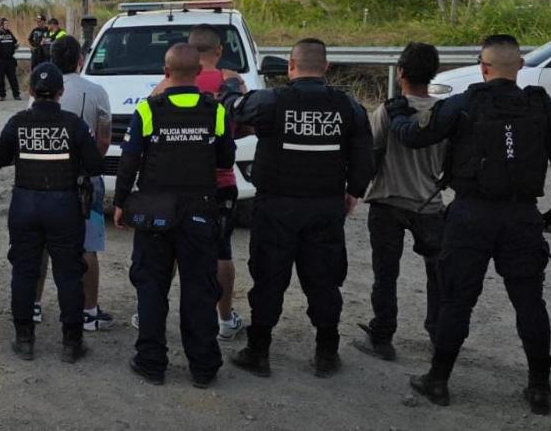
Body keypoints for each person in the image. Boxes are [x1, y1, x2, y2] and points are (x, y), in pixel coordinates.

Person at [389, 35, 551, 414]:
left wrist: (396, 111)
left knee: (456, 300)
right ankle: (540, 388)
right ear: (520, 67)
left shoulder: (464, 104)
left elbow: (414, 136)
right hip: (522, 216)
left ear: (483, 67)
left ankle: (438, 380)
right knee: (530, 302)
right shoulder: (540, 107)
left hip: (470, 216)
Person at [220, 38, 374, 378]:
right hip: (325, 206)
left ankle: (258, 352)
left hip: (276, 206)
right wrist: (353, 191)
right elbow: (365, 154)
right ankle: (327, 353)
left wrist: (231, 86)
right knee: (324, 280)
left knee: (269, 279)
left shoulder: (271, 101)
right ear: (326, 68)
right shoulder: (348, 107)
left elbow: (234, 108)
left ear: (290, 67)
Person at [114, 43, 233, 388]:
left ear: (166, 73)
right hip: (200, 211)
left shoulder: (148, 109)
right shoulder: (216, 110)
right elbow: (225, 159)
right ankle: (204, 367)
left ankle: (151, 362)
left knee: (151, 286)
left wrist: (121, 202)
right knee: (200, 289)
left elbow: (129, 160)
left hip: (155, 213)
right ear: (199, 72)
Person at [0, 62, 102, 363]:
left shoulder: (18, 121)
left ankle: (24, 339)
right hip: (64, 205)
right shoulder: (73, 123)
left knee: (24, 271)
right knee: (68, 273)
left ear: (30, 91)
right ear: (60, 92)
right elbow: (95, 164)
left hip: (25, 203)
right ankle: (71, 343)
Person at [353, 42, 446, 361]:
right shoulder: (444, 113)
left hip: (387, 200)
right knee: (437, 274)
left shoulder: (387, 110)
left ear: (401, 72)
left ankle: (382, 336)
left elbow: (371, 154)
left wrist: (355, 190)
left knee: (385, 274)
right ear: (434, 73)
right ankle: (438, 333)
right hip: (429, 203)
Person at [34, 35, 114, 332]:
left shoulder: (40, 91)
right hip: (84, 177)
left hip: (45, 176)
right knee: (87, 245)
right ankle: (89, 311)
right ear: (81, 59)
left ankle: (34, 306)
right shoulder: (96, 91)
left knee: (41, 244)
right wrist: (91, 161)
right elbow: (104, 138)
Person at [185, 25, 247, 340]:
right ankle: (224, 320)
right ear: (219, 50)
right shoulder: (232, 81)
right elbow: (246, 123)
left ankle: (148, 312)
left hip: (181, 181)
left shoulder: (174, 81)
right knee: (222, 251)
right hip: (221, 180)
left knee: (170, 248)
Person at [0, 17, 22, 101]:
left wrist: (16, 46)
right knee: (0, 78)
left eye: (7, 23)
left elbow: (15, 43)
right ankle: (2, 95)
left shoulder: (9, 33)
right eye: (5, 24)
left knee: (13, 78)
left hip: (10, 60)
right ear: (0, 25)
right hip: (0, 60)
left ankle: (16, 94)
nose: (7, 25)